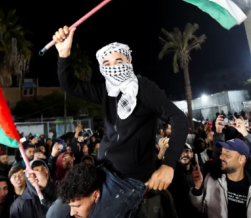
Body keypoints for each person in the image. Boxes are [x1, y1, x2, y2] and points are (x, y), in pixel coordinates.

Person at [55, 27, 189, 193]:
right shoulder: (106, 91)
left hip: (132, 181)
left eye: (118, 61)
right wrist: (64, 53)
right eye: (107, 64)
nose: (113, 67)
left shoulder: (144, 88)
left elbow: (179, 119)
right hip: (103, 173)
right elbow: (71, 86)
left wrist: (169, 164)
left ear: (128, 62)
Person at [190, 117, 251, 217]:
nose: (221, 156)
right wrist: (197, 189)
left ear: (241, 159)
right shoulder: (212, 181)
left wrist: (245, 133)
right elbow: (201, 207)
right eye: (222, 153)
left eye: (227, 154)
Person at [48, 162, 146, 218]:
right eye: (70, 206)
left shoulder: (125, 211)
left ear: (95, 195)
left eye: (77, 206)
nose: (72, 213)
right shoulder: (59, 211)